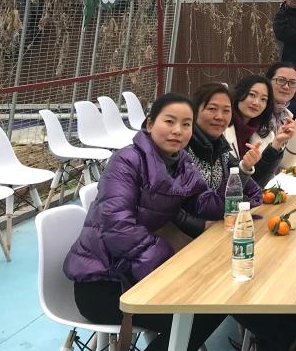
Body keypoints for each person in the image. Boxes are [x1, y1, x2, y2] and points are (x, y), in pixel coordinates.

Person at [64, 93, 228, 351]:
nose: (178, 130)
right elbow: (118, 226)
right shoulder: (126, 160)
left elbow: (204, 203)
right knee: (202, 313)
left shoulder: (181, 163)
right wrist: (169, 262)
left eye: (186, 124)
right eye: (170, 121)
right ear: (150, 124)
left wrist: (242, 180)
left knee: (216, 302)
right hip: (105, 284)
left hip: (137, 273)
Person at [175, 83, 264, 238]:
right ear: (194, 112)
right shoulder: (182, 148)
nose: (220, 117)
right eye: (212, 109)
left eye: (226, 110)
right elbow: (172, 206)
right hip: (185, 237)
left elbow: (255, 193)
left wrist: (247, 166)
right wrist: (200, 226)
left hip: (218, 229)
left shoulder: (221, 147)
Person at [223, 75, 294, 188]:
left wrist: (277, 143)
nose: (256, 102)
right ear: (239, 93)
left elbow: (258, 182)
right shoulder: (221, 128)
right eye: (252, 95)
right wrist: (244, 167)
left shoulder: (265, 134)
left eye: (263, 99)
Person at [264, 62, 296, 168]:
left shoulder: (287, 115)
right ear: (268, 81)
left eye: (292, 82)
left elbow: (286, 164)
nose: (286, 86)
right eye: (281, 80)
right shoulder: (258, 113)